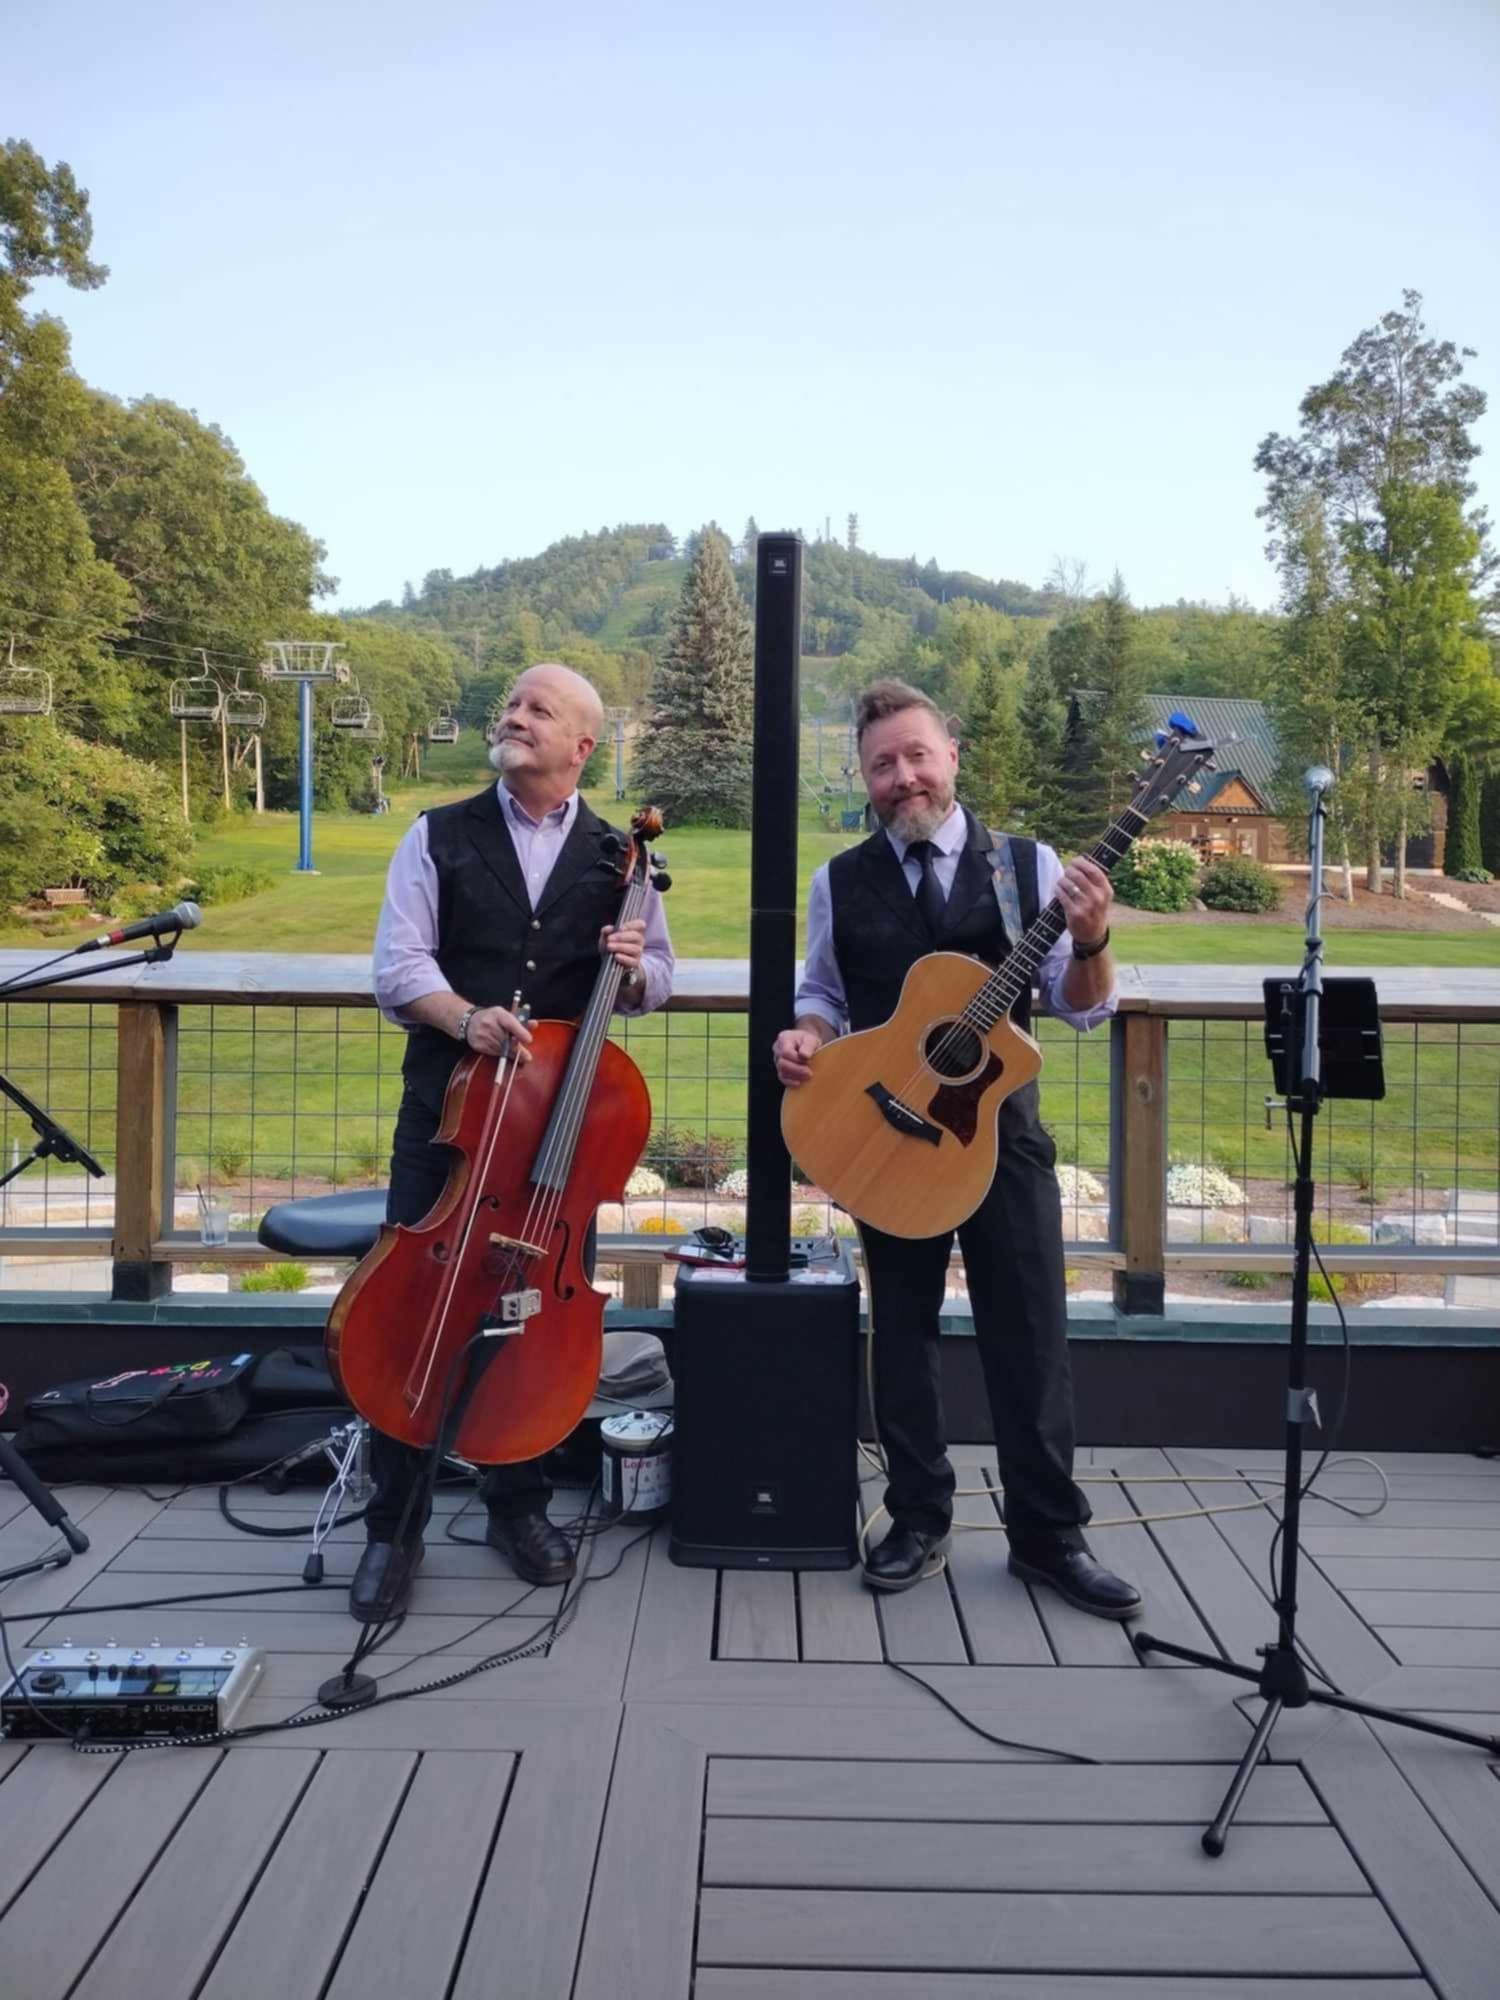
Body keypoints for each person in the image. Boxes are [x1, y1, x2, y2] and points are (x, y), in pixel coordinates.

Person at [774, 679, 1139, 1620]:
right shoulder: (838, 879)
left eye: (916, 756)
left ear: (953, 756)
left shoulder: (1028, 867)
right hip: (889, 1133)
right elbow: (822, 992)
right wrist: (807, 1034)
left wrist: (1093, 935)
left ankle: (1049, 1537)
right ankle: (918, 1516)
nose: (902, 778)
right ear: (865, 775)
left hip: (1000, 1139)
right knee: (902, 1334)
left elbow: (1084, 1005)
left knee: (1032, 1339)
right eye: (882, 764)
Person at [363, 663, 674, 1621]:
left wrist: (632, 972)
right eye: (513, 703)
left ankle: (518, 1505)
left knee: (532, 1314)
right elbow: (397, 967)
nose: (515, 716)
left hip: (556, 1145)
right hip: (452, 1124)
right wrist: (463, 1018)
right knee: (419, 1307)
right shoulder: (438, 832)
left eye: (540, 709)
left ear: (583, 746)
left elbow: (659, 976)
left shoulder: (623, 857)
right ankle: (395, 1528)